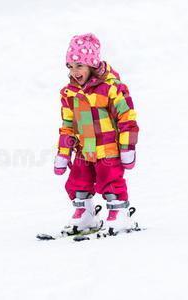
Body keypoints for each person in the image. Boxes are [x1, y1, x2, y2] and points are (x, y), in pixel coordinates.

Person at [54, 33, 139, 235]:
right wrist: (63, 152)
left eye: (79, 65)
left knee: (110, 181)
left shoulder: (111, 88)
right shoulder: (69, 93)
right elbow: (68, 126)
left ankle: (119, 214)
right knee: (77, 180)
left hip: (109, 148)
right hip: (85, 149)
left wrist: (128, 148)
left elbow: (128, 119)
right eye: (70, 66)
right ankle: (85, 214)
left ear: (92, 65)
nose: (74, 71)